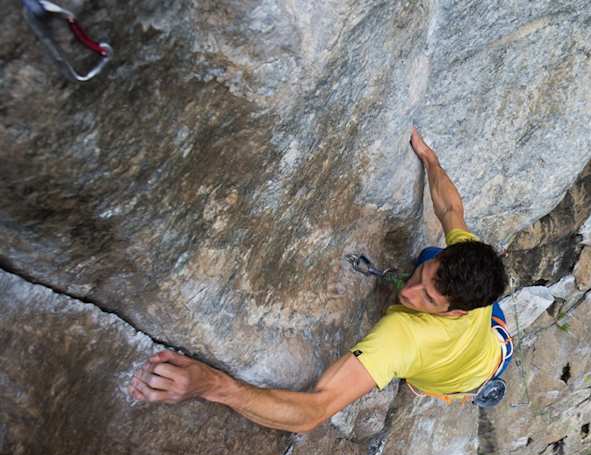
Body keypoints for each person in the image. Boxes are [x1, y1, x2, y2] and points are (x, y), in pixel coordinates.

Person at [128, 129, 510, 431]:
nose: (410, 293)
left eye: (427, 299)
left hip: (461, 378)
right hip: (492, 336)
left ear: (456, 313)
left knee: (417, 290)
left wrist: (212, 385)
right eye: (421, 281)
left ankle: (453, 376)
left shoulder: (402, 337)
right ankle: (445, 297)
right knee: (427, 254)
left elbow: (314, 412)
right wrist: (430, 158)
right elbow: (449, 208)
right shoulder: (462, 256)